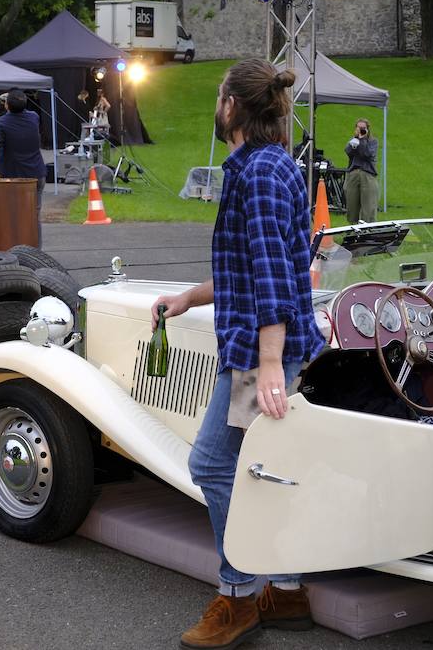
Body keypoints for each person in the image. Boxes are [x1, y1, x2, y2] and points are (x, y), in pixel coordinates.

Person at [151, 59, 324, 650]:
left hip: (258, 355)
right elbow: (249, 268)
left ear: (232, 106)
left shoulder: (258, 174)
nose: (216, 103)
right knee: (264, 469)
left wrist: (270, 364)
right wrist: (188, 297)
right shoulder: (269, 166)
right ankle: (289, 589)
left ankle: (240, 596)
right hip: (265, 348)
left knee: (212, 465)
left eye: (220, 95)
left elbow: (276, 274)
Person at [0, 88, 47, 242]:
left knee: (14, 216)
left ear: (6, 105)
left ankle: (17, 251)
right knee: (34, 216)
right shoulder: (34, 117)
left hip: (14, 177)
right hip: (36, 172)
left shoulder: (0, 123)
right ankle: (35, 249)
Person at [343, 118, 379, 222]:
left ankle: (367, 230)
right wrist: (355, 140)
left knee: (368, 206)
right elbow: (348, 151)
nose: (361, 130)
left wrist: (362, 139)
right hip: (353, 174)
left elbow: (367, 154)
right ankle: (352, 229)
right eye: (358, 127)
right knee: (352, 205)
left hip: (368, 174)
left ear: (368, 129)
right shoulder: (353, 140)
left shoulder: (373, 142)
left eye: (363, 128)